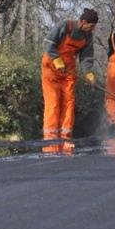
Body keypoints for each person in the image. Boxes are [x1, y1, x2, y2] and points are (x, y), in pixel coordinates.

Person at [41, 8, 98, 152]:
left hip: (68, 71)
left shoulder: (87, 36)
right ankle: (50, 142)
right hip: (51, 68)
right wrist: (57, 60)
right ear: (83, 22)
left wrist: (88, 73)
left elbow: (86, 57)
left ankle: (65, 139)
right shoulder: (65, 26)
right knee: (53, 103)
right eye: (91, 26)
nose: (92, 29)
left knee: (69, 103)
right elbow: (48, 43)